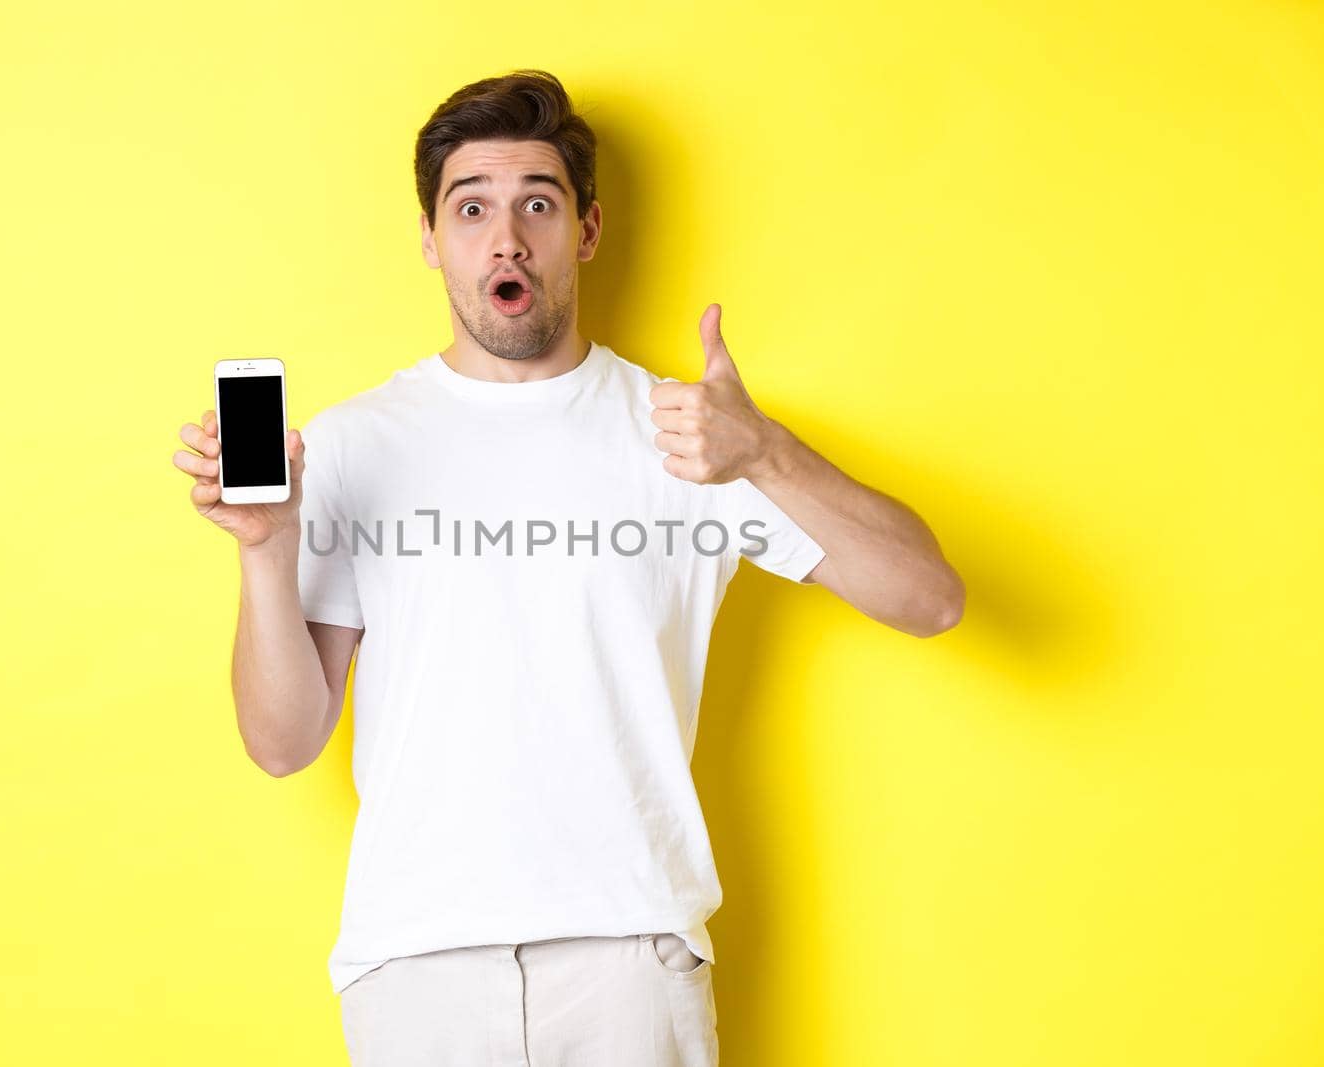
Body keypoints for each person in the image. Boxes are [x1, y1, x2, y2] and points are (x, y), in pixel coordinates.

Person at [173, 68, 964, 1067]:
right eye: (472, 209)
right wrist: (265, 548)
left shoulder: (690, 435)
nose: (505, 237)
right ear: (429, 239)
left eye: (536, 204)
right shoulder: (348, 446)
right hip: (416, 967)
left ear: (584, 230)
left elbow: (931, 598)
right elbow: (283, 740)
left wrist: (766, 451)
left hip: (628, 957)